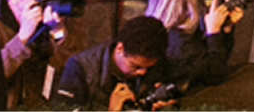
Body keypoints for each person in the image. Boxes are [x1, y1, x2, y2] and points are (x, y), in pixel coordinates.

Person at [53, 15, 184, 110]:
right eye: (136, 66)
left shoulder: (159, 63)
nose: (143, 72)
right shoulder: (80, 68)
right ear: (120, 48)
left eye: (148, 67)